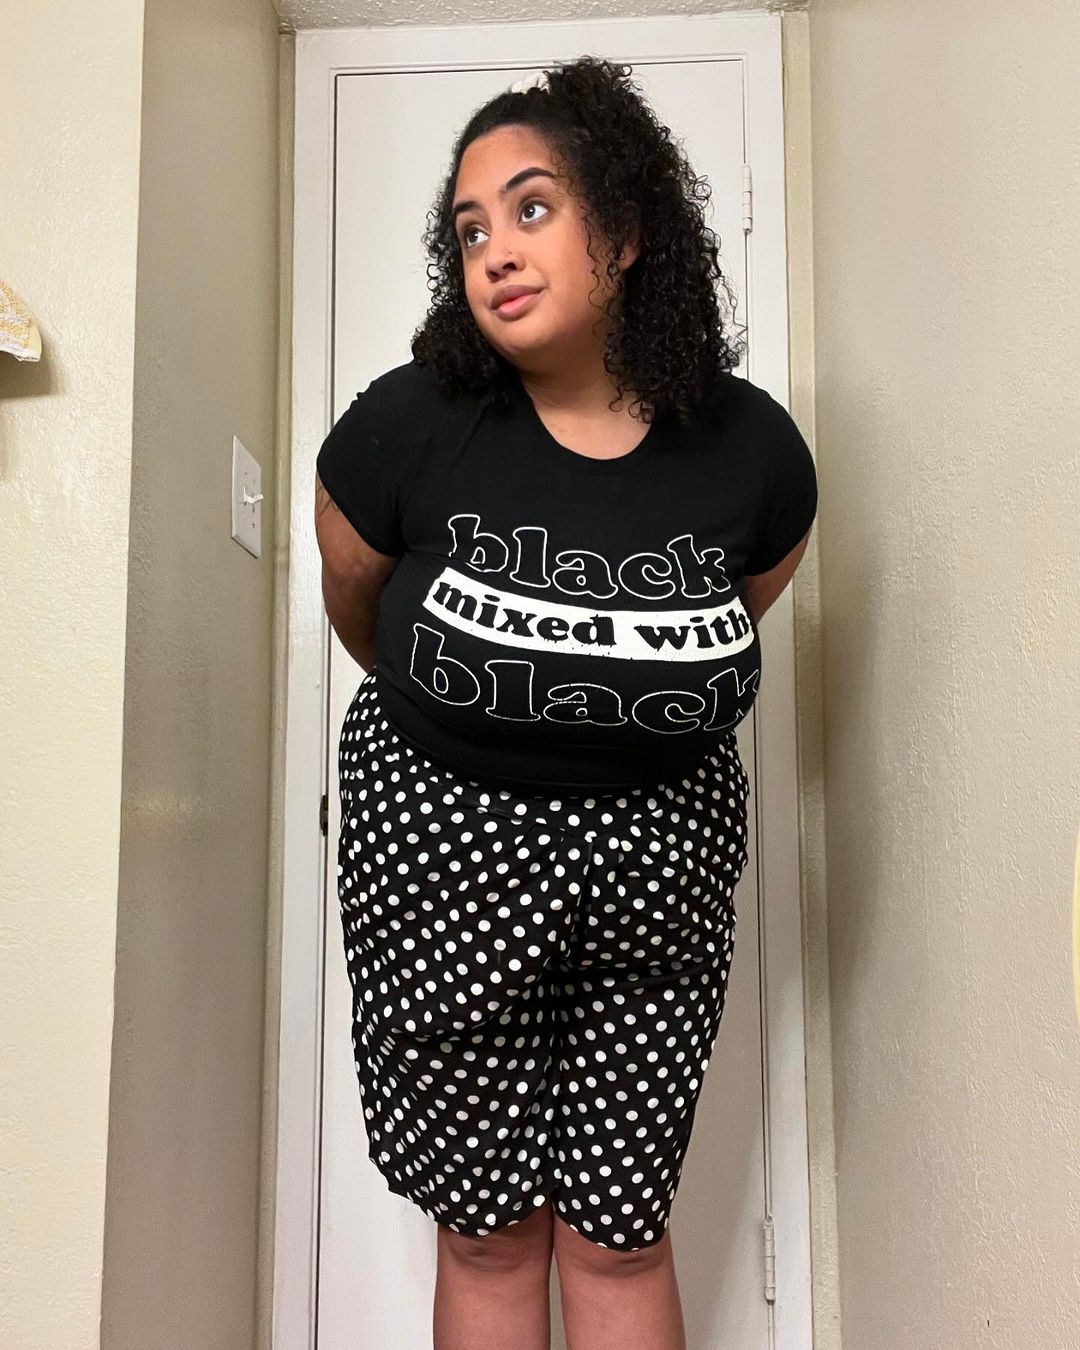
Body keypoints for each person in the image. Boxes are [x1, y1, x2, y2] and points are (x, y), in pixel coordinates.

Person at [314, 54, 817, 1350]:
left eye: (531, 207)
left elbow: (728, 623)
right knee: (489, 1234)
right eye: (469, 227)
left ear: (629, 230)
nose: (495, 248)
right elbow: (357, 599)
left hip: (665, 865)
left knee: (619, 1231)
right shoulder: (407, 424)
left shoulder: (755, 451)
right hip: (444, 854)